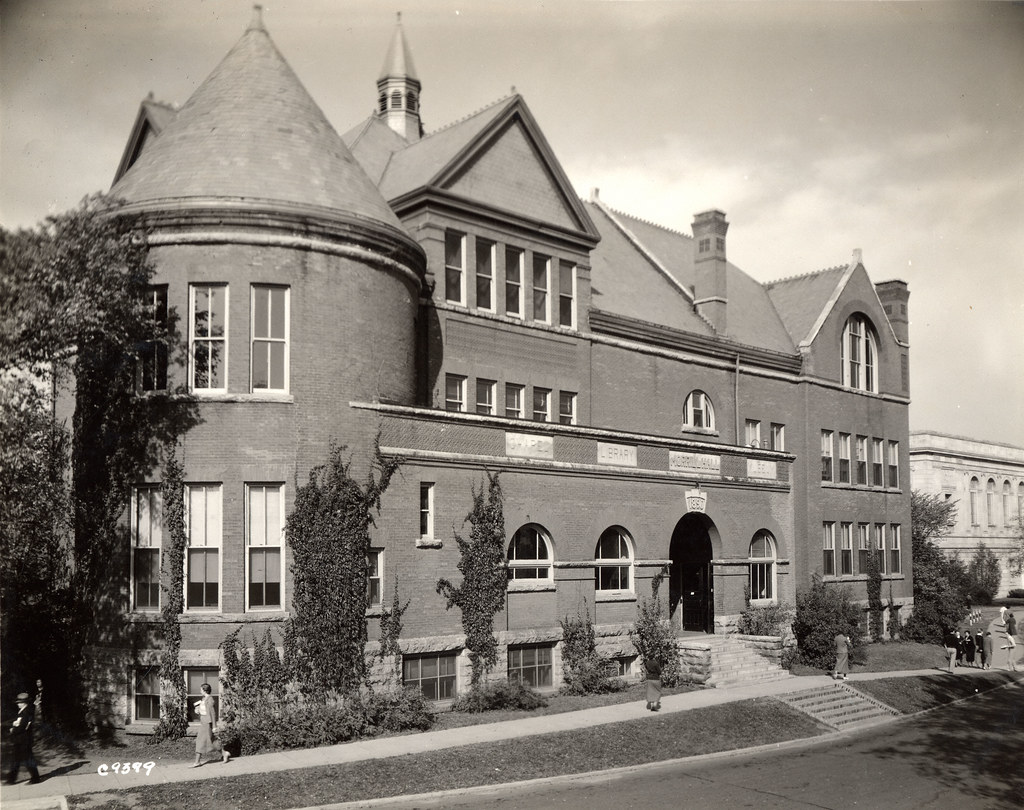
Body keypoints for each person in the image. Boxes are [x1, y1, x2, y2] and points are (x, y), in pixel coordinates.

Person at [5, 693, 41, 785]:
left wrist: (13, 729)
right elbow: (18, 723)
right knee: (16, 759)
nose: (18, 704)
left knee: (28, 759)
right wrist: (14, 725)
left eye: (20, 702)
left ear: (24, 703)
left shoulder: (25, 712)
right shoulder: (23, 711)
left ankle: (35, 778)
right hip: (20, 739)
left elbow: (22, 726)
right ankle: (11, 779)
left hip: (24, 740)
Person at [191, 684, 229, 767]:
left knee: (200, 741)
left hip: (207, 723)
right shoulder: (204, 699)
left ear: (205, 690)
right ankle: (224, 753)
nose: (200, 691)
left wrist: (214, 726)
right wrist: (197, 710)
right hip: (203, 722)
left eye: (201, 689)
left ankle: (197, 761)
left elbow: (212, 713)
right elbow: (204, 711)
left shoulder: (210, 699)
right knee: (212, 741)